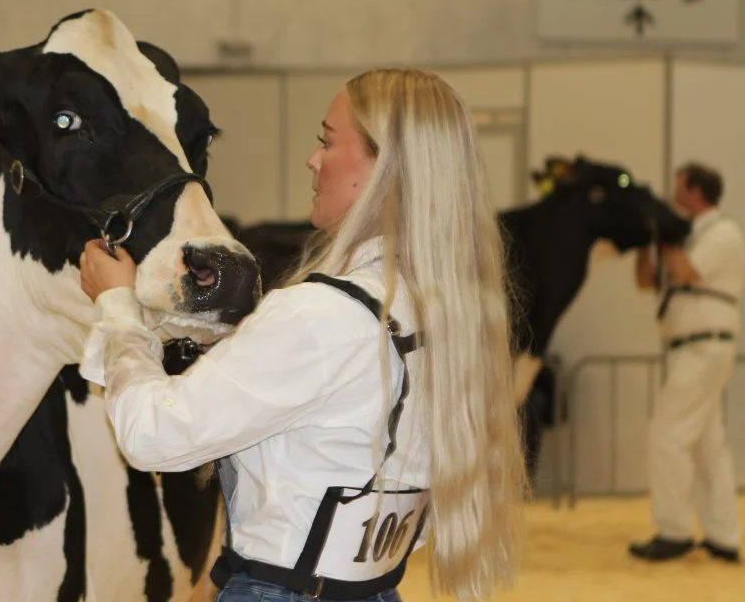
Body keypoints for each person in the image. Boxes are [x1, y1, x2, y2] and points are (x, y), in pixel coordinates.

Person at [78, 69, 527, 602]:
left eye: (327, 141)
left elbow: (152, 435)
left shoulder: (319, 314)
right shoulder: (444, 312)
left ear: (383, 168)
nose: (313, 160)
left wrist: (117, 307)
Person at [631, 162, 743, 564]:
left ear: (696, 192)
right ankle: (723, 536)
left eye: (679, 187)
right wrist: (647, 241)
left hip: (704, 346)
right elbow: (647, 280)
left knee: (667, 434)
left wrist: (667, 237)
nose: (674, 195)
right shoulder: (689, 236)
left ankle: (675, 530)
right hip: (688, 349)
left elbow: (687, 272)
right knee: (709, 446)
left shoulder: (723, 233)